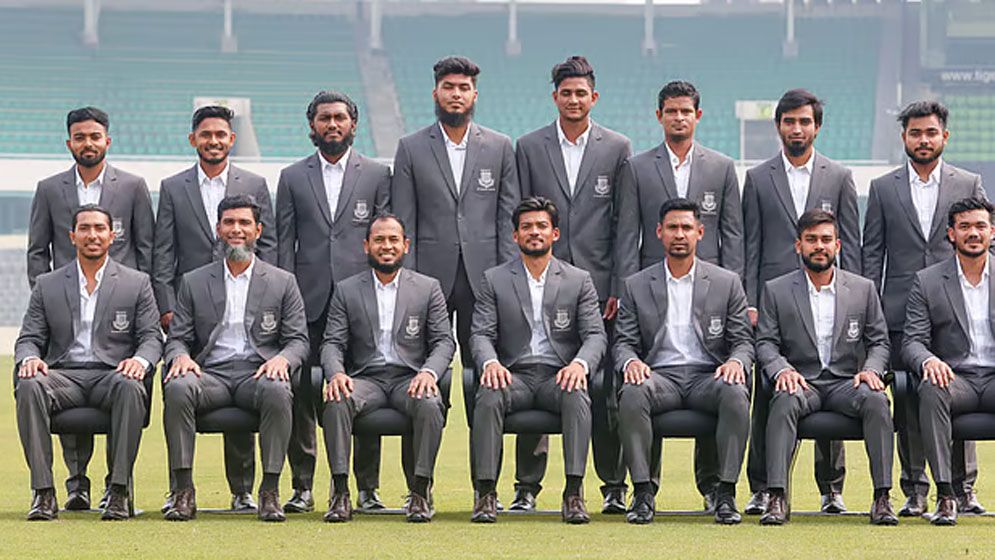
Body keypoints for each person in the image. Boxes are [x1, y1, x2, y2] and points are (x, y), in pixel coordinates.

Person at [615, 79, 744, 510]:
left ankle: (718, 490)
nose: (678, 118)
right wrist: (624, 288)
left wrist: (734, 290)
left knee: (729, 384)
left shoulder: (721, 167)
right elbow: (626, 233)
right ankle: (644, 491)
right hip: (653, 291)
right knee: (635, 384)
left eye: (686, 111)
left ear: (697, 116)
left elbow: (733, 235)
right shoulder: (637, 167)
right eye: (671, 111)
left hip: (710, 295)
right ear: (660, 116)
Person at [513, 55, 631, 513]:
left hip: (599, 287)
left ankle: (613, 484)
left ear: (593, 97)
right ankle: (528, 486)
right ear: (555, 97)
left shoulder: (617, 147)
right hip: (540, 281)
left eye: (582, 93)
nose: (574, 100)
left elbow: (624, 224)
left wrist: (617, 285)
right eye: (566, 93)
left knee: (604, 387)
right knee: (534, 370)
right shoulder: (530, 146)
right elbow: (521, 217)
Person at [26, 107, 155, 510]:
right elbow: (37, 251)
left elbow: (146, 249)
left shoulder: (132, 186)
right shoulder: (49, 188)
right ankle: (72, 485)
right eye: (79, 137)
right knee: (51, 382)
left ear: (107, 141)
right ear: (69, 142)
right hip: (65, 305)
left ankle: (117, 489)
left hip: (120, 309)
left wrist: (139, 297)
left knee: (124, 384)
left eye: (94, 136)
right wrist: (50, 300)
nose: (88, 143)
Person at [862, 100, 987, 516]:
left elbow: (983, 237)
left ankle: (963, 488)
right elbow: (872, 253)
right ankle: (914, 488)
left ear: (944, 136)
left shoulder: (968, 182)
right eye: (915, 133)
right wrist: (872, 312)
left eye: (931, 132)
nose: (923, 140)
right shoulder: (883, 188)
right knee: (908, 402)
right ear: (904, 138)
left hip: (956, 311)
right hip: (900, 314)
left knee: (956, 385)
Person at [741, 88, 860, 515]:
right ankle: (763, 487)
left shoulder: (839, 176)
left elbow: (852, 247)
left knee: (831, 377)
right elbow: (750, 245)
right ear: (778, 126)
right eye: (789, 121)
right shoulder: (758, 178)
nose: (797, 128)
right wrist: (750, 300)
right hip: (774, 305)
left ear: (817, 127)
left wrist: (855, 303)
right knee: (768, 394)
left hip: (829, 298)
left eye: (804, 121)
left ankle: (831, 488)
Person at [153, 105, 277, 511]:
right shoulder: (173, 187)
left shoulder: (254, 184)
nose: (213, 141)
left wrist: (267, 296)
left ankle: (243, 490)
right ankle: (181, 489)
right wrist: (167, 307)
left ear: (232, 139)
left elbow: (269, 248)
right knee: (187, 385)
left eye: (221, 134)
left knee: (245, 376)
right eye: (205, 134)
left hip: (247, 302)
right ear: (193, 139)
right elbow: (164, 252)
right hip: (191, 308)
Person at [275, 90, 391, 513]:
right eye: (324, 118)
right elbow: (283, 243)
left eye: (340, 117)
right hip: (307, 301)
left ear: (353, 124)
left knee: (363, 388)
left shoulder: (377, 174)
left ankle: (367, 488)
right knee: (301, 393)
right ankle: (302, 486)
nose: (333, 125)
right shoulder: (292, 176)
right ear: (312, 125)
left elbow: (384, 238)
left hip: (361, 302)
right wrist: (285, 298)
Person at [160, 194, 308, 522]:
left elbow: (298, 340)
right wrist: (180, 356)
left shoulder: (283, 282)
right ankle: (183, 491)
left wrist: (282, 360)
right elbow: (178, 337)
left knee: (278, 388)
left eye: (244, 223)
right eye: (229, 222)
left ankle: (269, 491)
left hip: (257, 373)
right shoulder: (194, 281)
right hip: (209, 374)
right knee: (178, 386)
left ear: (258, 230)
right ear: (218, 229)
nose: (236, 229)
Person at [15, 204, 161, 521]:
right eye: (84, 228)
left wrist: (139, 361)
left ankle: (118, 491)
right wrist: (30, 358)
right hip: (63, 377)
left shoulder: (137, 282)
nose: (92, 235)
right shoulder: (48, 284)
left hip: (112, 375)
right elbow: (29, 337)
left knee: (131, 385)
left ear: (112, 235)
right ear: (72, 236)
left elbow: (152, 337)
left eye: (99, 228)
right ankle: (43, 493)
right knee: (29, 385)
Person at [614, 197, 753, 525]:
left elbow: (743, 341)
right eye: (672, 227)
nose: (680, 234)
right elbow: (623, 343)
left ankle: (725, 493)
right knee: (632, 392)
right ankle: (643, 492)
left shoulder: (726, 282)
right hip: (659, 376)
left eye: (687, 228)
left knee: (735, 392)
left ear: (700, 232)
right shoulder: (636, 285)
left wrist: (736, 362)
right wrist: (631, 362)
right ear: (659, 232)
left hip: (709, 376)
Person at [469, 197, 606, 524]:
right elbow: (480, 334)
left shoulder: (578, 280)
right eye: (527, 227)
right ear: (515, 235)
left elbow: (595, 336)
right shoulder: (494, 279)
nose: (534, 232)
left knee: (577, 393)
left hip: (557, 376)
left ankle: (573, 493)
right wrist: (491, 363)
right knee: (488, 394)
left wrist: (579, 365)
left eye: (542, 226)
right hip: (512, 375)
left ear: (554, 233)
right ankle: (486, 493)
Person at [756, 209, 895, 526]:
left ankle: (882, 497)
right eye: (811, 239)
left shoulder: (863, 289)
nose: (819, 246)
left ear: (837, 245)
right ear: (798, 245)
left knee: (876, 400)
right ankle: (776, 496)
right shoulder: (776, 290)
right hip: (802, 383)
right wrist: (782, 370)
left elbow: (879, 342)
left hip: (847, 383)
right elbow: (765, 343)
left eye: (826, 239)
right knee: (783, 400)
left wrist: (872, 370)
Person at [320, 214, 454, 523]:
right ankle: (340, 492)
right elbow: (332, 343)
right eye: (379, 240)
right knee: (337, 399)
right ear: (366, 245)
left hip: (410, 378)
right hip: (365, 380)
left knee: (430, 403)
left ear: (406, 245)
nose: (387, 246)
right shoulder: (347, 290)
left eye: (393, 239)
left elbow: (444, 341)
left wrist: (429, 373)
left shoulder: (428, 288)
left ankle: (420, 492)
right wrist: (336, 373)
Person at [391, 55, 520, 374]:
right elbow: (404, 221)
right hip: (429, 276)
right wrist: (409, 278)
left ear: (475, 95)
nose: (456, 94)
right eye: (448, 87)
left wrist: (506, 274)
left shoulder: (500, 146)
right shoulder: (410, 147)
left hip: (485, 275)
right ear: (435, 93)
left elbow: (507, 218)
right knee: (424, 364)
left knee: (485, 365)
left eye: (464, 87)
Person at [903, 197, 995, 526]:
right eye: (965, 226)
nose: (974, 233)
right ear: (951, 234)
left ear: (992, 232)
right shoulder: (927, 281)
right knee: (931, 388)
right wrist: (929, 361)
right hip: (957, 380)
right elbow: (912, 340)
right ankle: (946, 495)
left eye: (980, 226)